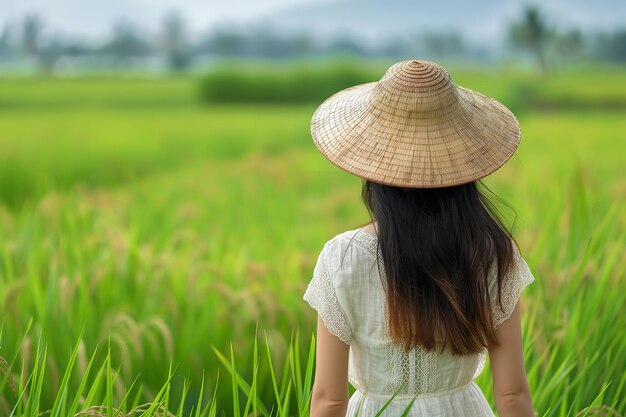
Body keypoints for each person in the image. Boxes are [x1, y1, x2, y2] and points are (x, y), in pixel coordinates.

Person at [303, 60, 536, 417]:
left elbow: (328, 400)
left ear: (374, 169)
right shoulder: (491, 252)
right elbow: (513, 395)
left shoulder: (343, 257)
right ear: (463, 166)